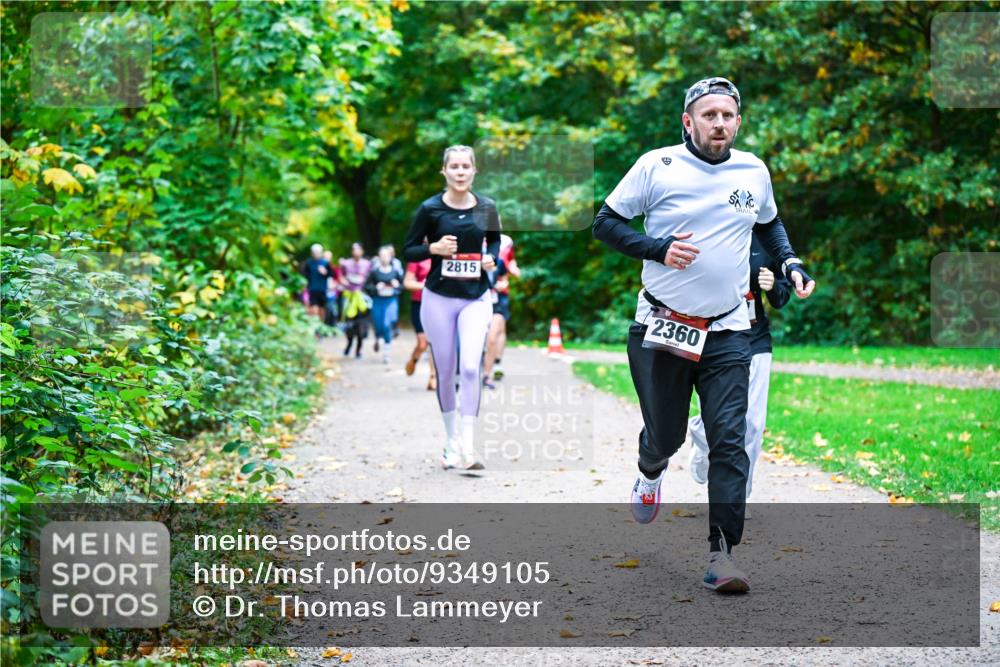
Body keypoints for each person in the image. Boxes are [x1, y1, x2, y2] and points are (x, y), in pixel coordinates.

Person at [592, 76, 815, 593]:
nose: (720, 123)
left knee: (729, 440)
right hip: (663, 325)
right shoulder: (657, 166)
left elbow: (769, 224)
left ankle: (723, 554)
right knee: (667, 436)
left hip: (729, 330)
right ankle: (650, 470)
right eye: (709, 115)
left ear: (739, 121)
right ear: (688, 122)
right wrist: (657, 248)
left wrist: (791, 261)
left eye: (728, 115)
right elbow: (606, 222)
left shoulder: (753, 170)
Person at [403, 144, 501, 470]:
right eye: (454, 167)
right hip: (438, 298)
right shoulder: (430, 209)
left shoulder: (487, 206)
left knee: (471, 368)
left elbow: (496, 240)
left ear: (474, 171)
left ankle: (469, 446)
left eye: (465, 166)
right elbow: (409, 250)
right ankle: (450, 442)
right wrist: (434, 248)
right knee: (446, 372)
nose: (460, 172)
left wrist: (493, 259)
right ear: (444, 171)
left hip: (476, 296)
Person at [688, 232, 790, 505]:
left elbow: (782, 295)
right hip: (714, 338)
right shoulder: (708, 232)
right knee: (718, 420)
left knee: (753, 424)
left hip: (755, 339)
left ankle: (737, 497)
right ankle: (701, 440)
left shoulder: (765, 240)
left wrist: (772, 286)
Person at [483, 233, 519, 383]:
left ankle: (491, 370)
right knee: (483, 336)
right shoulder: (472, 237)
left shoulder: (506, 243)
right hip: (476, 298)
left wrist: (513, 272)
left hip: (498, 298)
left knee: (495, 334)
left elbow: (511, 264)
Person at [365, 246, 404, 364]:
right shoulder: (374, 272)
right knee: (378, 325)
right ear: (379, 257)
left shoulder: (395, 271)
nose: (384, 258)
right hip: (377, 300)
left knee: (387, 324)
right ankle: (378, 338)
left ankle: (386, 353)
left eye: (386, 255)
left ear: (390, 257)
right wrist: (376, 287)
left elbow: (403, 287)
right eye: (382, 255)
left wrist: (396, 286)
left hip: (391, 300)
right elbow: (367, 286)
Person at [404, 257, 438, 391]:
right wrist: (424, 286)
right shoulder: (417, 258)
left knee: (434, 342)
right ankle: (413, 359)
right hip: (419, 304)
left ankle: (433, 376)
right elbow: (407, 282)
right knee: (423, 343)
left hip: (438, 305)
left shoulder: (446, 256)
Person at [302, 244, 332, 333]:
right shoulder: (308, 263)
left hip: (322, 290)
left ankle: (321, 327)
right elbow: (305, 275)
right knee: (314, 310)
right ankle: (315, 329)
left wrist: (325, 272)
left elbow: (331, 274)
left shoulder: (325, 263)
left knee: (322, 309)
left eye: (318, 252)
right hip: (312, 289)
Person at [323, 250, 342, 332]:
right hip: (322, 292)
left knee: (331, 309)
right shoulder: (319, 267)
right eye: (325, 257)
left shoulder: (334, 268)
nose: (327, 259)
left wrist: (334, 285)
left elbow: (338, 279)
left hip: (332, 293)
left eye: (328, 257)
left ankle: (331, 326)